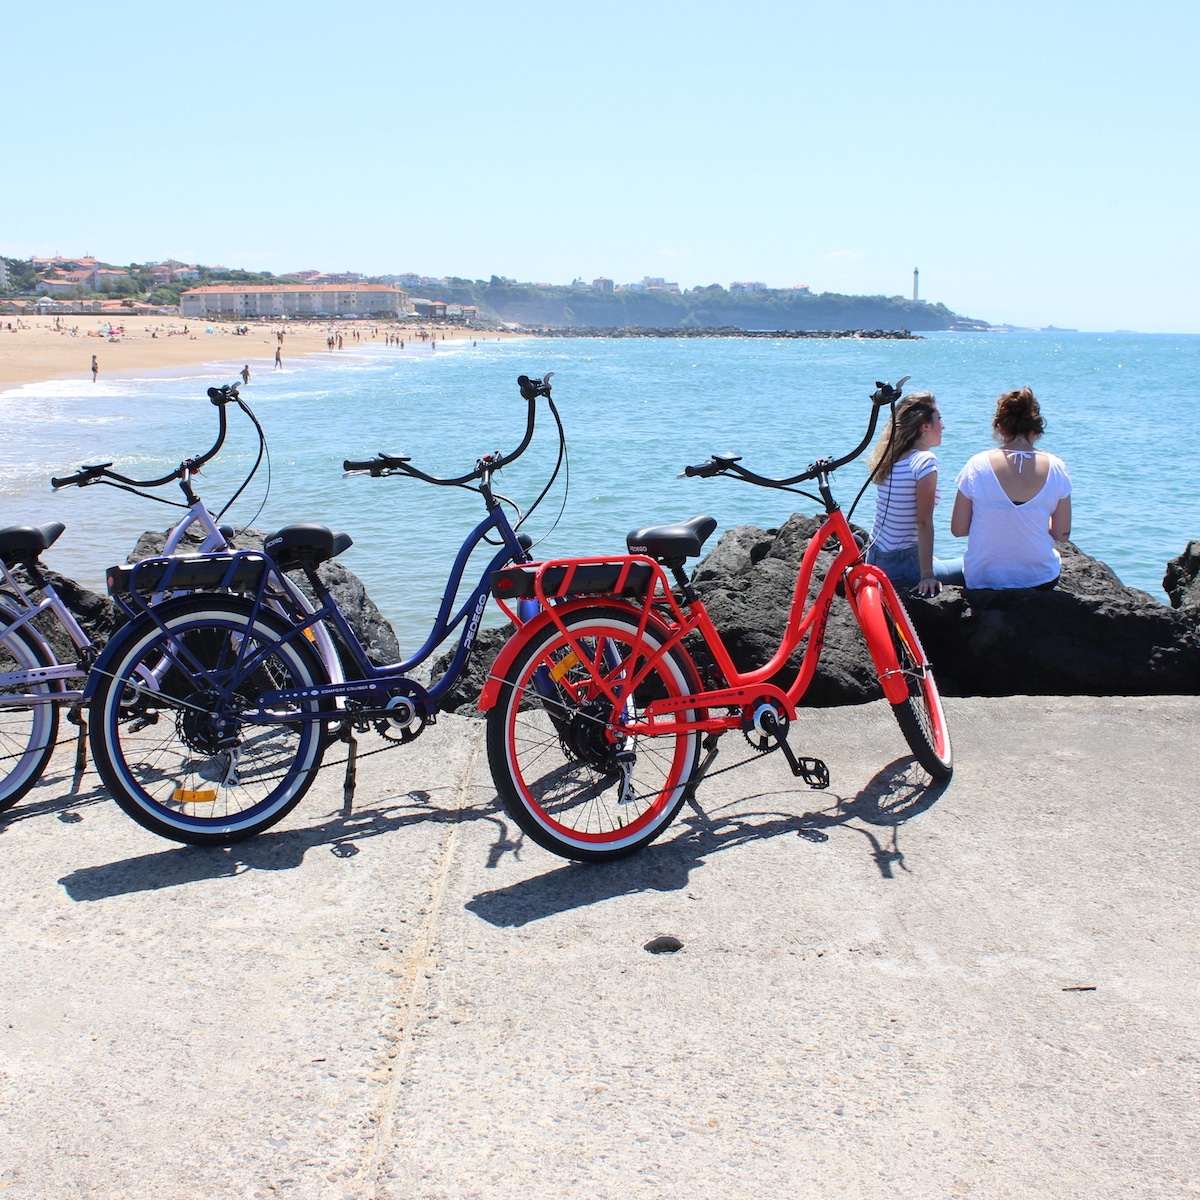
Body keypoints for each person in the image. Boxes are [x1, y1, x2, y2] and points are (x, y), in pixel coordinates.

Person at [951, 386, 1072, 589]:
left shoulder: (977, 464)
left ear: (1000, 427)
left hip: (983, 579)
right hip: (1038, 579)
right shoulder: (1056, 467)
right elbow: (1062, 534)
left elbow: (958, 529)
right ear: (1036, 430)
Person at [865, 392, 963, 595]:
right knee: (968, 566)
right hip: (901, 565)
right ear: (925, 427)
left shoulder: (890, 456)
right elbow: (923, 522)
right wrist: (926, 575)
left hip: (875, 556)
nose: (943, 426)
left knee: (940, 561)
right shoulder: (925, 461)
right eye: (939, 419)